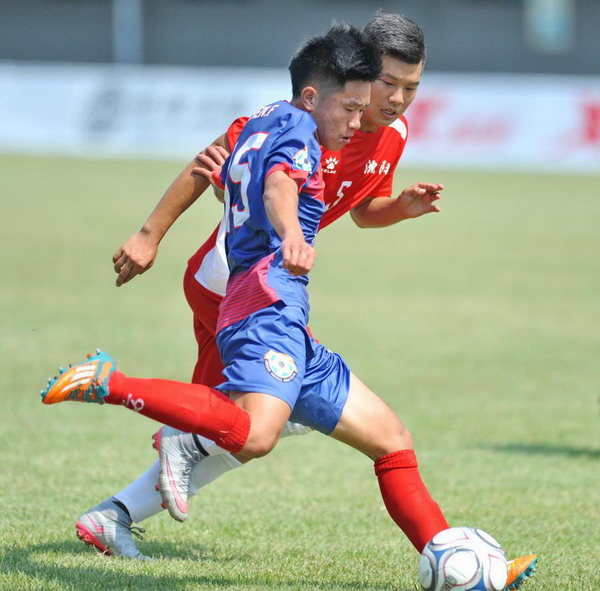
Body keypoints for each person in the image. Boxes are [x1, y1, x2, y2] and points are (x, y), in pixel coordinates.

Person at [41, 16, 538, 590]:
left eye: (413, 88)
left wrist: (397, 208)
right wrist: (152, 233)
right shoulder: (300, 123)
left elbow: (361, 207)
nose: (397, 100)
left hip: (274, 286)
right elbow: (229, 170)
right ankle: (141, 417)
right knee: (248, 428)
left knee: (294, 432)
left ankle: (116, 514)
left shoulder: (383, 134)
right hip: (235, 280)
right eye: (387, 84)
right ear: (353, 74)